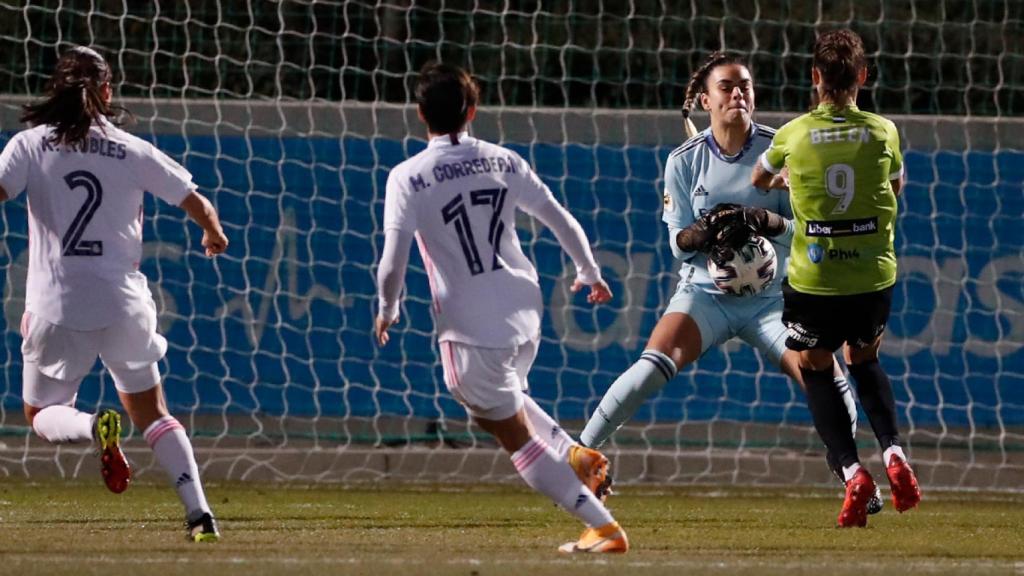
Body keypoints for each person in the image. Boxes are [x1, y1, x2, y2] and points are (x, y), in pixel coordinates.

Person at [579, 51, 885, 512]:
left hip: (774, 299)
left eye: (745, 85)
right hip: (706, 295)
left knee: (828, 380)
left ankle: (852, 474)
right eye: (727, 86)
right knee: (649, 369)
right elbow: (678, 245)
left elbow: (809, 230)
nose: (738, 92)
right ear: (705, 99)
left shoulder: (783, 147)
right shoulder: (683, 161)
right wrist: (702, 231)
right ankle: (581, 454)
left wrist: (763, 220)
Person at [375, 62, 627, 554]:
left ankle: (602, 526)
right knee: (502, 400)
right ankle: (573, 453)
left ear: (420, 113)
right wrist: (589, 273)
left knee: (506, 428)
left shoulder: (408, 177)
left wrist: (389, 306)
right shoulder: (504, 160)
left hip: (470, 322)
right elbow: (561, 220)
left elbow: (392, 260)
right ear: (472, 111)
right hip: (524, 309)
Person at [0, 46, 228, 541]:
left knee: (39, 415)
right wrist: (211, 233)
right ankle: (200, 515)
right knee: (152, 413)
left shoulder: (29, 145)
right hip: (125, 305)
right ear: (107, 91)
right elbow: (197, 201)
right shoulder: (129, 147)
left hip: (57, 306)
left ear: (54, 89)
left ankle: (91, 426)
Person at [751, 29, 922, 527]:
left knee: (816, 367)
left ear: (815, 78)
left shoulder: (793, 134)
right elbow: (896, 188)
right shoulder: (884, 130)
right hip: (872, 278)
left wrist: (787, 179)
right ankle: (894, 453)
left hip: (816, 280)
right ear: (863, 77)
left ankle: (851, 472)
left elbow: (758, 180)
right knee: (864, 359)